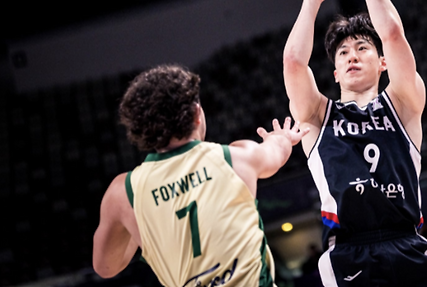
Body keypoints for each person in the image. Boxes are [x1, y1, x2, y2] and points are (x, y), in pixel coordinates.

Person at [283, 0, 427, 286]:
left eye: (362, 48)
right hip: (348, 253)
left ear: (382, 62)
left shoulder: (403, 103)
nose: (352, 56)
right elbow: (294, 64)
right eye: (343, 52)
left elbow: (393, 34)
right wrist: (311, 1)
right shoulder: (317, 116)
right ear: (336, 72)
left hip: (407, 244)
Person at [93, 64, 307, 287]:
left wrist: (142, 228)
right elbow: (277, 152)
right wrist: (281, 137)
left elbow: (106, 267)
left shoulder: (123, 193)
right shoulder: (236, 158)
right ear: (197, 113)